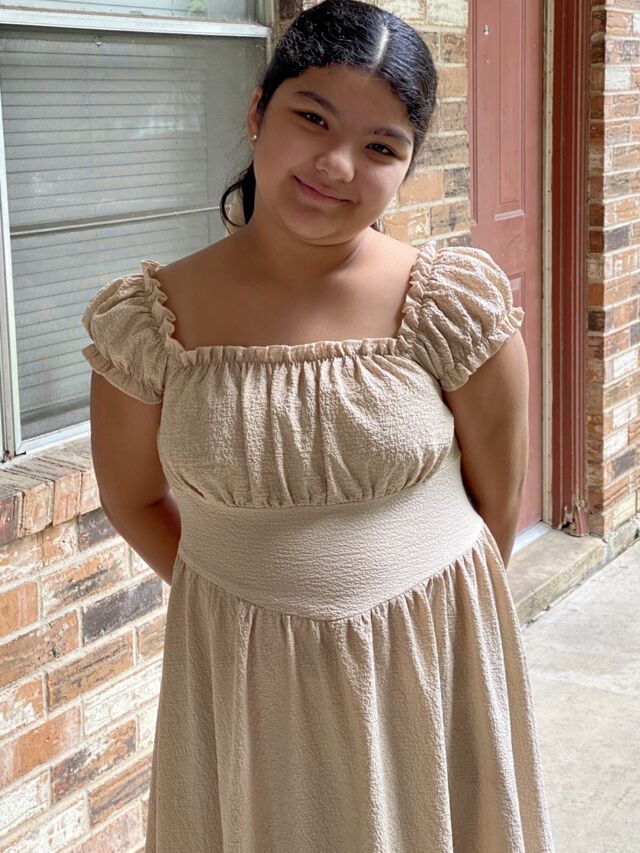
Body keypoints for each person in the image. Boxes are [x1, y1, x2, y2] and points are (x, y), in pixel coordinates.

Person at [80, 1, 555, 850]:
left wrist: (419, 609)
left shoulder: (451, 306)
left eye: (382, 147)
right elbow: (131, 496)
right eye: (313, 118)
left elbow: (496, 502)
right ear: (258, 111)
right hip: (244, 672)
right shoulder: (151, 321)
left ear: (406, 166)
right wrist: (243, 596)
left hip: (427, 657)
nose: (337, 165)